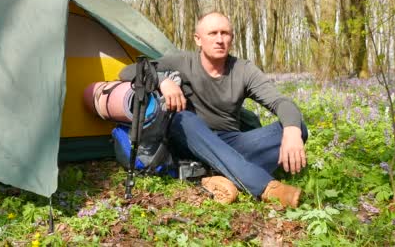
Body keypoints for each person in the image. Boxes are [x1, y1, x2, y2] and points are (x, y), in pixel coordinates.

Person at [119, 11, 308, 208]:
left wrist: (292, 131)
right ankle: (266, 188)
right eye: (213, 33)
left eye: (225, 33)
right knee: (182, 119)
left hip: (230, 141)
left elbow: (281, 102)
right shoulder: (182, 61)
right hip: (190, 141)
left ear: (231, 38)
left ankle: (213, 175)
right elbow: (128, 71)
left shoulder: (243, 70)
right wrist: (162, 80)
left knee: (297, 127)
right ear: (198, 39)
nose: (220, 40)